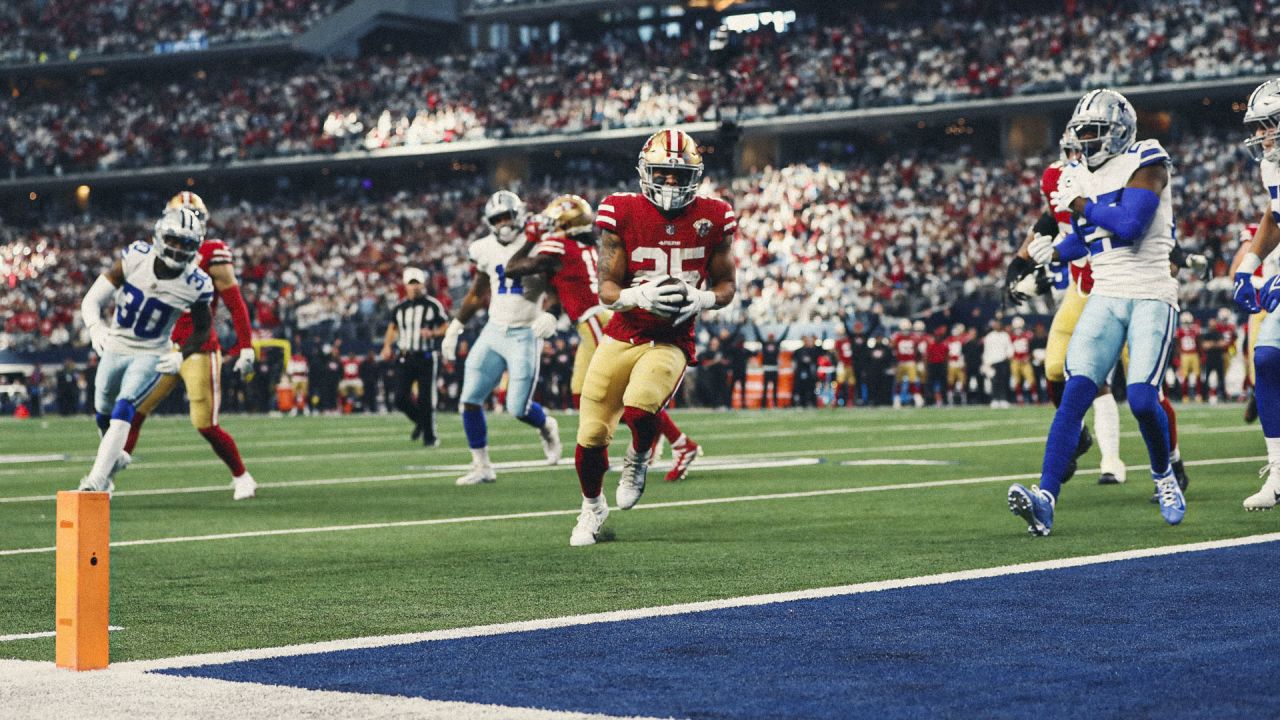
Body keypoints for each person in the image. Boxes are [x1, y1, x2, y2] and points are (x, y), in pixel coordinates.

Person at [1010, 88, 1186, 535]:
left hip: (1149, 293)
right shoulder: (1080, 175)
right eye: (1081, 133)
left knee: (1144, 398)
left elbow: (1128, 226)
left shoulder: (1147, 159)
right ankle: (1045, 498)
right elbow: (1088, 238)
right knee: (1074, 396)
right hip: (1104, 294)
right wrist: (1052, 254)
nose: (1086, 142)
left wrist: (1080, 206)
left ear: (1119, 131)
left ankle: (1164, 475)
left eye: (1094, 132)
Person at [568, 128, 737, 546]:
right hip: (622, 332)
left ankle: (639, 457)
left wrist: (701, 299)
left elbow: (727, 285)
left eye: (680, 176)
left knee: (641, 409)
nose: (672, 183)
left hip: (671, 340)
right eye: (663, 173)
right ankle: (591, 509)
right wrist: (635, 294)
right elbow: (606, 286)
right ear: (646, 171)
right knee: (590, 435)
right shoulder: (620, 210)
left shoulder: (714, 215)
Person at [505, 193, 704, 481]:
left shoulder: (558, 247)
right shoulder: (584, 246)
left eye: (554, 221)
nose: (549, 227)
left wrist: (530, 239)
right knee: (579, 394)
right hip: (593, 322)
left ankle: (680, 443)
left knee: (621, 396)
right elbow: (563, 283)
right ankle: (618, 448)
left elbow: (513, 269)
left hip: (597, 321)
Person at [122, 192, 257, 501]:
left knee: (204, 423)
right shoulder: (151, 254)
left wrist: (246, 345)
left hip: (198, 347)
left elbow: (235, 303)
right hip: (161, 346)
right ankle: (106, 478)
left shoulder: (212, 252)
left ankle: (241, 475)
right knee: (134, 410)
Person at [78, 207, 213, 495]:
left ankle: (97, 482)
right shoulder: (136, 257)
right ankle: (116, 458)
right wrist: (95, 327)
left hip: (151, 353)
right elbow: (92, 299)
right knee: (102, 412)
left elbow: (203, 329)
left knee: (124, 407)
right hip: (114, 345)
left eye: (186, 243)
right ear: (161, 236)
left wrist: (181, 354)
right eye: (174, 240)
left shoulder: (196, 284)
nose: (177, 249)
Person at [441, 190, 562, 485]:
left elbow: (558, 290)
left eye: (508, 216)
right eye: (498, 219)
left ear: (519, 214)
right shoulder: (483, 248)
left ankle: (546, 425)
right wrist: (455, 326)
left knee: (517, 408)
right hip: (494, 330)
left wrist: (553, 314)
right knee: (469, 399)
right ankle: (482, 466)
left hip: (526, 332)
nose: (504, 223)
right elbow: (477, 291)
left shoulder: (539, 243)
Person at [1232, 77, 1280, 510]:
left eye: (1270, 124)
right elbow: (1276, 215)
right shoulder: (1272, 165)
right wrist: (1249, 266)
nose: (1263, 135)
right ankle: (1279, 474)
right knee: (1265, 359)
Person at [381, 267, 448, 445]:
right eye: (411, 283)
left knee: (426, 399)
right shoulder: (399, 308)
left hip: (426, 357)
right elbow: (392, 328)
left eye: (417, 283)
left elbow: (446, 327)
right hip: (405, 357)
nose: (415, 287)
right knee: (400, 398)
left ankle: (430, 437)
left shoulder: (433, 305)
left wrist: (432, 333)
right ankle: (421, 421)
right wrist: (387, 346)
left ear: (423, 284)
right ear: (405, 286)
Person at [754, 322, 789, 408]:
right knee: (765, 388)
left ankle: (775, 404)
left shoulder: (776, 344)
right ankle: (763, 405)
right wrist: (754, 326)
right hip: (766, 369)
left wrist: (788, 327)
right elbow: (758, 336)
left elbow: (783, 337)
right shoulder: (765, 344)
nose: (771, 338)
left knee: (775, 388)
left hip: (774, 369)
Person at [981, 319, 1012, 409]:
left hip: (1003, 361)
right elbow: (986, 351)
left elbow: (1009, 347)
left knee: (1003, 381)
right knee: (994, 382)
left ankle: (1003, 399)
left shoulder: (1005, 335)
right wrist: (986, 363)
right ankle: (995, 399)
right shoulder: (989, 337)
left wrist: (1009, 355)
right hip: (992, 362)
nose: (997, 326)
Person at [1174, 312, 1202, 401]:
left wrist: (1201, 355)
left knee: (1197, 375)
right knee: (1184, 376)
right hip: (1184, 354)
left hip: (1194, 354)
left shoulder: (1195, 330)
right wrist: (1177, 357)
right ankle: (1185, 395)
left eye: (1188, 322)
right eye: (1185, 323)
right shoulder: (1179, 331)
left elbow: (1198, 343)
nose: (1186, 325)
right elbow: (1177, 345)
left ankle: (1198, 395)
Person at [791, 335, 821, 408]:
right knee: (801, 389)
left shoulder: (813, 350)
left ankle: (811, 403)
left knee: (811, 389)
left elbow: (819, 352)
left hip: (810, 373)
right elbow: (794, 362)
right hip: (800, 373)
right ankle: (802, 403)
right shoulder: (798, 351)